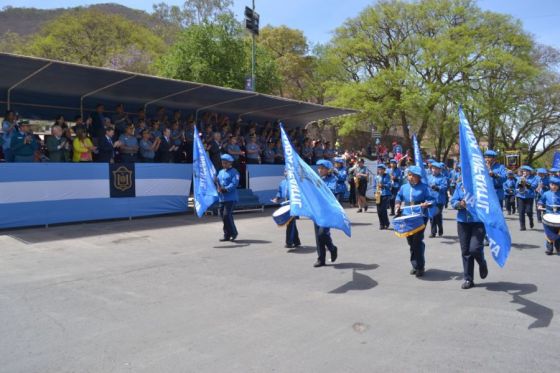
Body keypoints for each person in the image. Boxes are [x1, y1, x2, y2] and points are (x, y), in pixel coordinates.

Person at [395, 166, 435, 277]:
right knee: (411, 242)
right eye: (409, 175)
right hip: (407, 217)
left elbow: (431, 199)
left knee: (417, 242)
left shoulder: (424, 187)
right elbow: (399, 196)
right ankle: (415, 264)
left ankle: (420, 266)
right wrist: (397, 204)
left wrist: (427, 203)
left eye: (413, 175)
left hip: (420, 217)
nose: (411, 177)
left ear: (418, 177)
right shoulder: (404, 187)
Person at [450, 181, 489, 289]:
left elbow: (489, 201)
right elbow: (453, 200)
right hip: (463, 221)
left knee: (475, 248)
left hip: (478, 221)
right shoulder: (460, 184)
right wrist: (459, 204)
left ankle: (482, 263)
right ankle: (468, 279)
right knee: (465, 251)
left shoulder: (482, 184)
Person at [313, 160, 338, 267]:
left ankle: (332, 248)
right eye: (319, 168)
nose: (320, 170)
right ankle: (321, 259)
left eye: (322, 168)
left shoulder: (333, 179)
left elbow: (330, 192)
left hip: (327, 211)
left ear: (328, 169)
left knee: (322, 233)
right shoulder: (316, 179)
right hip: (317, 210)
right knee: (318, 236)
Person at [272, 174, 301, 249]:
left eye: (287, 170)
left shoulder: (295, 182)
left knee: (290, 223)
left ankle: (289, 242)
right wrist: (277, 198)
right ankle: (296, 241)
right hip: (285, 205)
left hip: (293, 205)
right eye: (285, 171)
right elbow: (280, 192)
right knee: (292, 223)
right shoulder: (283, 182)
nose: (286, 172)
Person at [216, 154, 240, 242]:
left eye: (225, 163)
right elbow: (217, 181)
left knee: (227, 215)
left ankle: (234, 233)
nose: (224, 164)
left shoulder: (235, 172)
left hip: (231, 198)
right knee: (223, 216)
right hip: (222, 198)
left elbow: (234, 184)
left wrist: (225, 189)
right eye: (223, 163)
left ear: (230, 163)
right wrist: (214, 180)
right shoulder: (221, 172)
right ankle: (227, 234)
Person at [537, 176, 560, 255]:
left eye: (556, 185)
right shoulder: (546, 193)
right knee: (549, 232)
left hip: (558, 215)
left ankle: (558, 248)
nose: (554, 186)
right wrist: (540, 205)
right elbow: (541, 200)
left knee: (558, 233)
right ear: (550, 185)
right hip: (548, 214)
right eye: (552, 184)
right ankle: (549, 249)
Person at [428, 162, 448, 237]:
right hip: (430, 199)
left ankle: (440, 229)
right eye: (433, 168)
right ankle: (433, 232)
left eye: (436, 169)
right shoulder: (429, 177)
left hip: (439, 200)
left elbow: (445, 187)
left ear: (439, 170)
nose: (434, 170)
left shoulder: (443, 178)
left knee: (437, 214)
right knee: (432, 216)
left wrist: (437, 187)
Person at [516, 165, 539, 231]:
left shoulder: (534, 178)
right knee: (521, 211)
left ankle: (531, 219)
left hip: (529, 196)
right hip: (520, 196)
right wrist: (520, 180)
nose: (524, 172)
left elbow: (533, 187)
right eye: (523, 171)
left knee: (529, 211)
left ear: (529, 172)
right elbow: (516, 186)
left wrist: (526, 181)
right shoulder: (520, 177)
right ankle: (522, 226)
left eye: (526, 171)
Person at [374, 164, 392, 229]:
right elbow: (374, 186)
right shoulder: (376, 177)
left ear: (384, 170)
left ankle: (386, 223)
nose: (380, 171)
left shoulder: (387, 176)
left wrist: (383, 185)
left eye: (381, 169)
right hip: (378, 194)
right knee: (379, 210)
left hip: (385, 194)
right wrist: (375, 192)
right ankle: (381, 224)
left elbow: (390, 184)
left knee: (383, 210)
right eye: (379, 169)